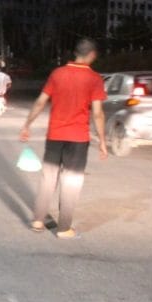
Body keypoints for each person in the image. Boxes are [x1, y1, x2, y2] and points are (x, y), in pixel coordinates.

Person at [19, 38, 108, 239]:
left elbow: (41, 102)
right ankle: (63, 228)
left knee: (48, 177)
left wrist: (27, 125)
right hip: (77, 138)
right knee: (71, 180)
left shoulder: (57, 74)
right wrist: (102, 141)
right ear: (92, 55)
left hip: (55, 135)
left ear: (75, 52)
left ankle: (38, 220)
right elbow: (98, 114)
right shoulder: (94, 79)